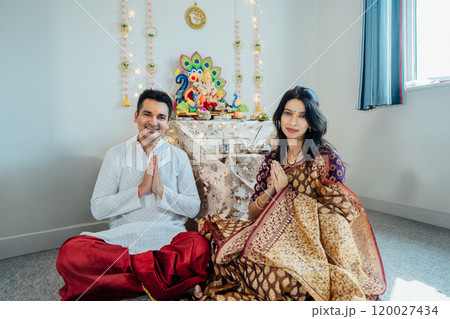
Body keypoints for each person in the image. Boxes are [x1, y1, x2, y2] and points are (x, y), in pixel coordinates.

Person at [198, 86, 386, 301]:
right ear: (280, 117)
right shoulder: (272, 159)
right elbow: (251, 215)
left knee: (288, 279)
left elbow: (337, 215)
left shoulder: (324, 158)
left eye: (302, 116)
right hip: (272, 237)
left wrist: (288, 196)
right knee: (223, 247)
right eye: (288, 113)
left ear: (312, 121)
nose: (293, 122)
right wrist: (272, 191)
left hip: (313, 245)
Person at [56, 89, 210, 301]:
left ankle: (128, 280)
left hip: (169, 238)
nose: (153, 122)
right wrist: (140, 190)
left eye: (161, 117)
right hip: (122, 241)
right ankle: (168, 280)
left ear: (168, 123)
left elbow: (193, 208)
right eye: (147, 114)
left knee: (199, 246)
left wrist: (161, 191)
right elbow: (98, 208)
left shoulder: (178, 156)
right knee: (70, 253)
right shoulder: (116, 155)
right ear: (136, 116)